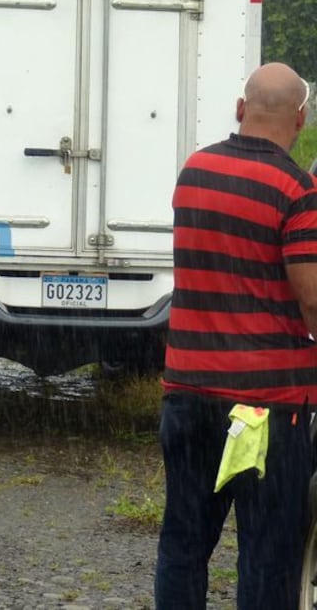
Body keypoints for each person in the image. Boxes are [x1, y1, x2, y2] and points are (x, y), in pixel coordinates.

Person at [155, 62, 317, 609]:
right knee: (267, 553)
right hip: (265, 410)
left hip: (189, 394)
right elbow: (312, 295)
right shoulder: (297, 189)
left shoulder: (194, 172)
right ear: (301, 119)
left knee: (184, 540)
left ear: (240, 108)